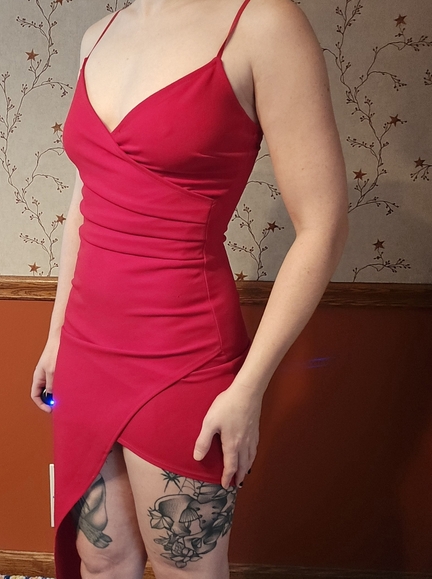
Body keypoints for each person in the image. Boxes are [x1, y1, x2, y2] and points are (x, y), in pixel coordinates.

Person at [30, 0, 349, 577]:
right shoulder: (97, 35)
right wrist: (56, 335)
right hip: (85, 347)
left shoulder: (264, 24)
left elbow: (323, 226)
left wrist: (249, 386)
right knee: (100, 559)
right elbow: (85, 200)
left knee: (187, 568)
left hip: (184, 353)